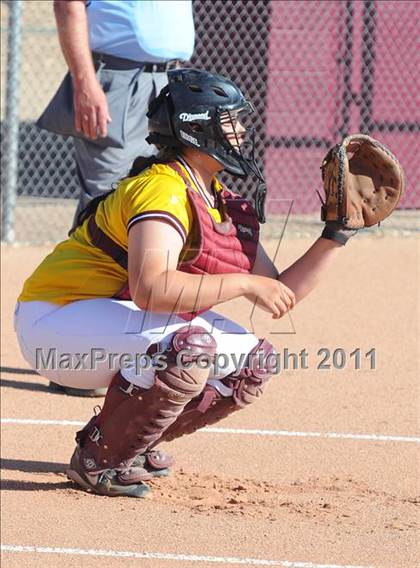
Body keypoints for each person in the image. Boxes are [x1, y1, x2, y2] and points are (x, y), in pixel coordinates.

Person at [15, 68, 354, 498]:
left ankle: (127, 441)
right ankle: (98, 460)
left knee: (251, 364)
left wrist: (336, 236)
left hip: (112, 323)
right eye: (230, 120)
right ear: (197, 130)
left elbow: (278, 294)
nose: (243, 130)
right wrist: (243, 284)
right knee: (189, 348)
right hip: (55, 321)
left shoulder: (215, 198)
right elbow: (151, 289)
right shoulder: (162, 190)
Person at [37, 0, 195, 396]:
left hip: (170, 82)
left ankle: (125, 345)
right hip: (116, 80)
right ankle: (69, 353)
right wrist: (84, 82)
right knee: (105, 205)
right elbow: (67, 6)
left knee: (156, 200)